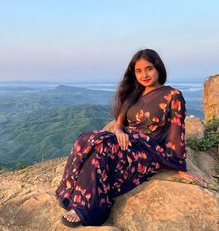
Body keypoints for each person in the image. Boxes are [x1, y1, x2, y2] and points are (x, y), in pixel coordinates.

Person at [55, 48, 208, 227]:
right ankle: (92, 207)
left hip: (149, 151)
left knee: (98, 143)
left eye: (149, 68)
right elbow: (119, 123)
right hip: (125, 143)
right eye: (139, 70)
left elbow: (177, 132)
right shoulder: (133, 94)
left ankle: (82, 207)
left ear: (158, 68)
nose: (144, 74)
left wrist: (180, 166)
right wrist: (119, 132)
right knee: (91, 147)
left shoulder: (172, 96)